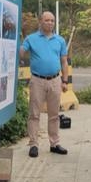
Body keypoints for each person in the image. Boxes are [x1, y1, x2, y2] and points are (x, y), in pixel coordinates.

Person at [20, 11, 69, 158]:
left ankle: (54, 143)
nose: (50, 23)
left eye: (52, 21)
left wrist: (65, 81)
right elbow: (21, 53)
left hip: (55, 80)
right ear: (40, 21)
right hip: (37, 81)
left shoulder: (59, 40)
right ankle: (34, 144)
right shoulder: (31, 39)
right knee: (34, 114)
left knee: (54, 115)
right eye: (47, 20)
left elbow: (64, 61)